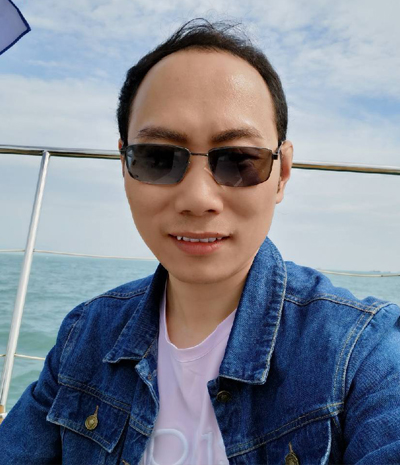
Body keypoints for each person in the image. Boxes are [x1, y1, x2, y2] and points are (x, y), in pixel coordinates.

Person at [1, 18, 400, 465]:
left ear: (282, 173)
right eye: (158, 158)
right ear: (124, 166)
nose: (198, 198)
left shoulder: (363, 356)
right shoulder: (85, 336)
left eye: (239, 160)